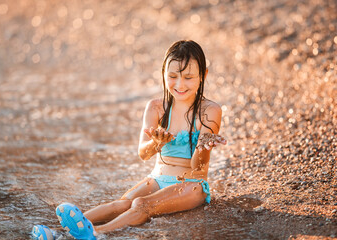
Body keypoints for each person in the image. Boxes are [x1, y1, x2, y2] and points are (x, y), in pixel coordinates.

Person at [50, 40, 226, 240]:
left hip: (191, 185)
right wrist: (156, 144)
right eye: (172, 76)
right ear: (163, 73)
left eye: (188, 77)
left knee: (142, 205)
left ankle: (96, 234)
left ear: (203, 75)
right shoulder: (155, 107)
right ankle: (59, 234)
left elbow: (197, 167)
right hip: (157, 178)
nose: (179, 84)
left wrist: (203, 147)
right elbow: (143, 153)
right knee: (122, 204)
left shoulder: (210, 111)